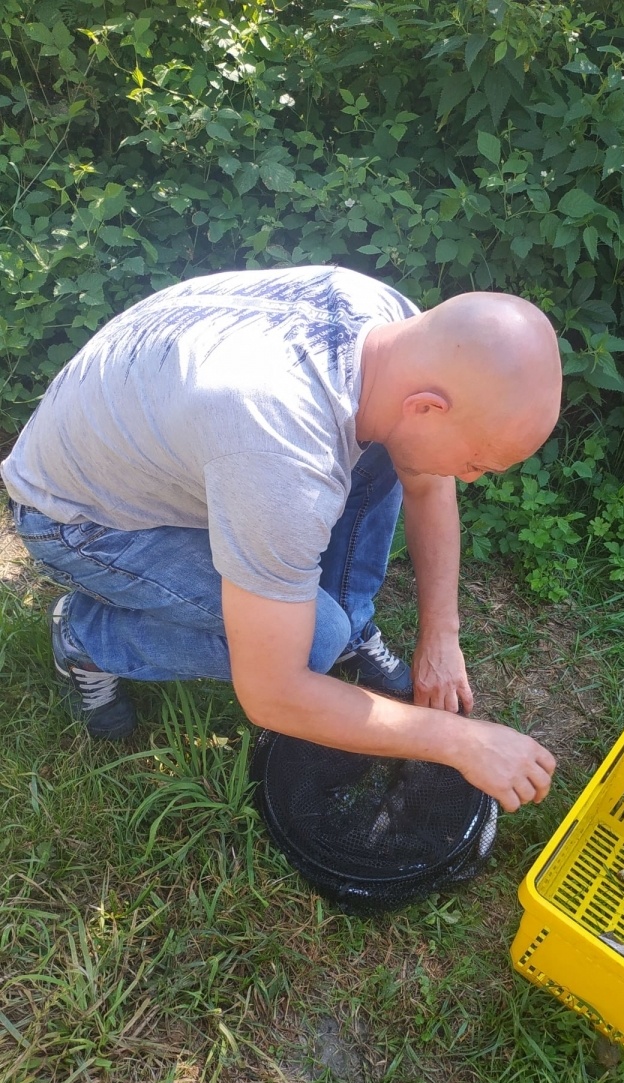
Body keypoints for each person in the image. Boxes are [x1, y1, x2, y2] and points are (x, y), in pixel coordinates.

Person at [2, 265, 561, 814]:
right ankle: (87, 637)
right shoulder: (280, 455)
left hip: (182, 454)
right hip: (79, 519)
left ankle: (350, 622)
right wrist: (463, 742)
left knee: (398, 451)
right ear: (428, 407)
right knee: (312, 644)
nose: (468, 478)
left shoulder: (396, 334)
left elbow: (427, 483)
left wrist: (441, 636)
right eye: (477, 463)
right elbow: (272, 694)